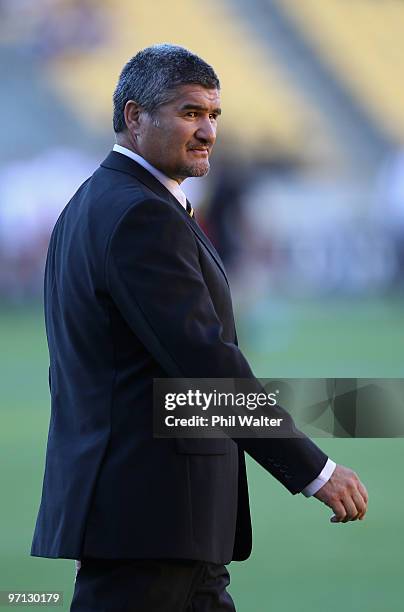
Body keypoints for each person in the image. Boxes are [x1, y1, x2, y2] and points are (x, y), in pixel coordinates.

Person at [31, 44, 368, 612]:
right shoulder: (139, 214)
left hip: (160, 523)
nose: (208, 130)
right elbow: (205, 365)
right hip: (149, 520)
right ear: (135, 117)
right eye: (190, 113)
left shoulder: (103, 202)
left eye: (214, 114)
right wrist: (315, 469)